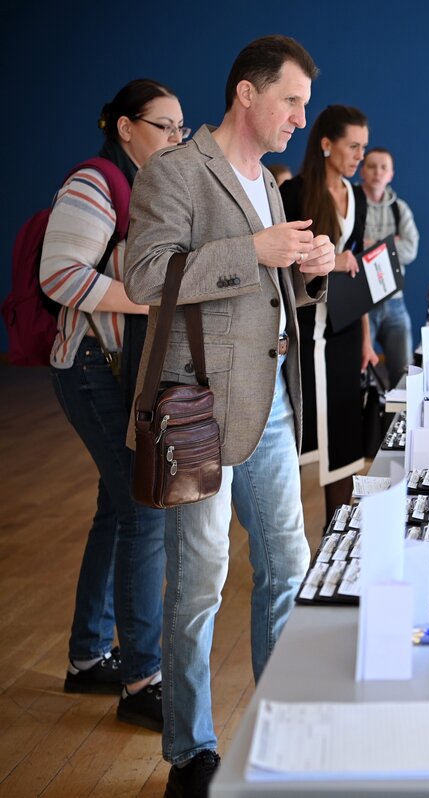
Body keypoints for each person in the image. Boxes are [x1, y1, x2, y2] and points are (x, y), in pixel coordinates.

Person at [123, 35, 334, 796]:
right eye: (291, 102)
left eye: (305, 106)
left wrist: (307, 274)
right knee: (201, 582)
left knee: (288, 565)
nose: (300, 119)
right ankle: (190, 753)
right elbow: (145, 277)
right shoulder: (174, 171)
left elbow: (267, 292)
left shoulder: (270, 183)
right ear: (247, 93)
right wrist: (254, 249)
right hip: (198, 407)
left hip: (268, 402)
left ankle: (278, 728)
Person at [41, 78, 182, 731]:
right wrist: (150, 300)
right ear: (125, 128)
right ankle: (141, 681)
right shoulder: (95, 183)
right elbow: (59, 274)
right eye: (163, 126)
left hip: (119, 369)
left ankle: (87, 657)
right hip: (92, 368)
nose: (175, 138)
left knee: (115, 507)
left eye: (181, 127)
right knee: (140, 510)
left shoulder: (144, 189)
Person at [279, 104, 377, 525]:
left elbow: (358, 274)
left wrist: (367, 340)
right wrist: (333, 261)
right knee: (297, 444)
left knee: (343, 445)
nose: (360, 156)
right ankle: (291, 542)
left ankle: (336, 536)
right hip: (303, 332)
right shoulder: (294, 193)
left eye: (363, 147)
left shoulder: (358, 196)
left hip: (346, 332)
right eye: (353, 146)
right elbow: (282, 262)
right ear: (326, 144)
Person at [360, 146, 418, 388]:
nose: (377, 172)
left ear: (391, 174)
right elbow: (350, 250)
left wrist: (371, 245)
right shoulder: (351, 204)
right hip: (362, 304)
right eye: (372, 166)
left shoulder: (399, 209)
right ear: (362, 170)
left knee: (404, 375)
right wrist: (390, 243)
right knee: (359, 374)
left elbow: (410, 250)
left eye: (383, 167)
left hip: (395, 301)